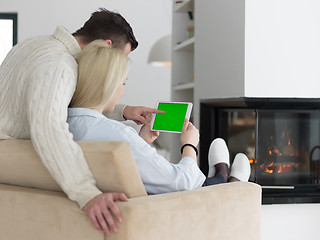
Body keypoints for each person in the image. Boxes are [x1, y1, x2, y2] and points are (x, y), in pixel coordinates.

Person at [0, 8, 164, 236]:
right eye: (121, 58)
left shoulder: (33, 45)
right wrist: (87, 192)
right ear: (107, 46)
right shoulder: (61, 65)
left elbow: (48, 103)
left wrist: (123, 111)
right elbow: (49, 128)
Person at [67, 40, 252, 225]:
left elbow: (114, 166)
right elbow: (183, 182)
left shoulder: (64, 126)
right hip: (160, 207)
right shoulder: (119, 134)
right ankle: (228, 179)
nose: (122, 92)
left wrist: (141, 141)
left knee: (204, 178)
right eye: (123, 84)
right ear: (108, 86)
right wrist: (189, 145)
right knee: (202, 183)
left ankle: (221, 174)